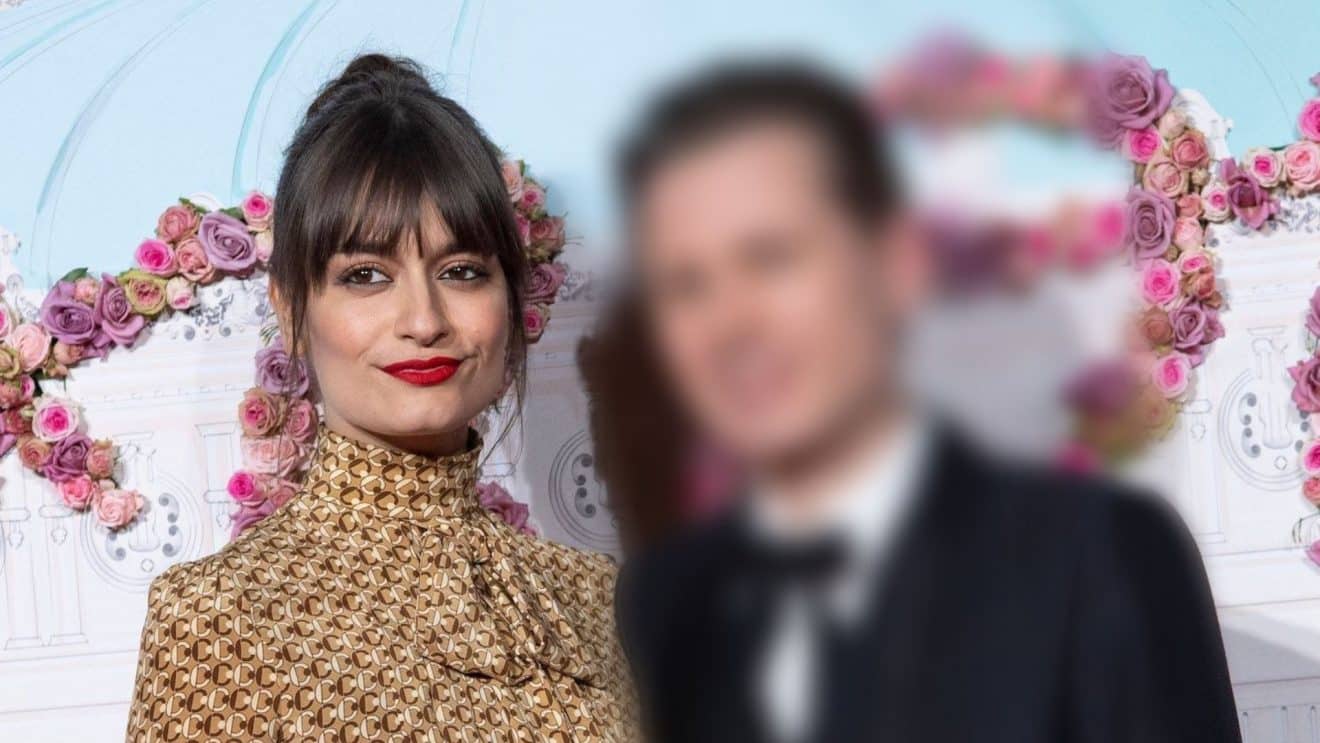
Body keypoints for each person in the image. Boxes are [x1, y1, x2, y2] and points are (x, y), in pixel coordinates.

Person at [606, 60, 1241, 743]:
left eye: (772, 256)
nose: (731, 321)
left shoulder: (1108, 553)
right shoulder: (661, 600)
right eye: (685, 283)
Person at [125, 54, 630, 742]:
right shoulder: (220, 620)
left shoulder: (591, 597)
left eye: (462, 271)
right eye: (366, 274)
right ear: (293, 309)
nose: (424, 320)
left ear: (510, 298)